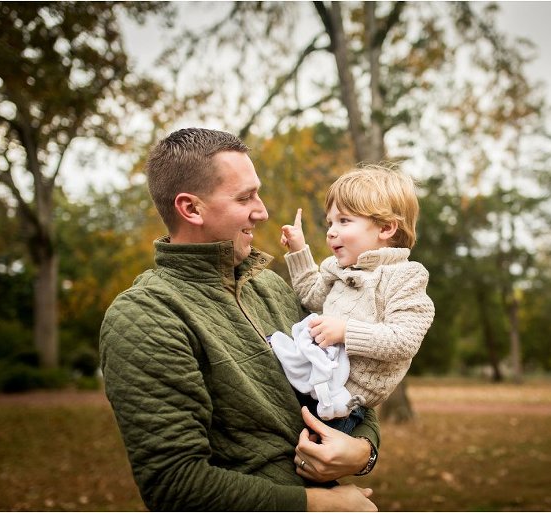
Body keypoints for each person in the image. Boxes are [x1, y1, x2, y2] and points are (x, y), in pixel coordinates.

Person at [99, 128, 379, 512]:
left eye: (258, 193)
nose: (262, 211)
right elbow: (174, 485)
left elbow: (348, 378)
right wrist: (316, 505)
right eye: (245, 197)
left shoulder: (273, 286)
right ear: (191, 208)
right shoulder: (146, 316)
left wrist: (363, 450)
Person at [275, 165, 435, 433]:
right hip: (313, 378)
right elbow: (309, 295)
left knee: (313, 456)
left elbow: (404, 340)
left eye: (344, 221)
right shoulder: (336, 269)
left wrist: (345, 332)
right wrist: (299, 249)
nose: (331, 231)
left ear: (385, 228)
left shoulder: (406, 277)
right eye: (330, 223)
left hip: (344, 403)